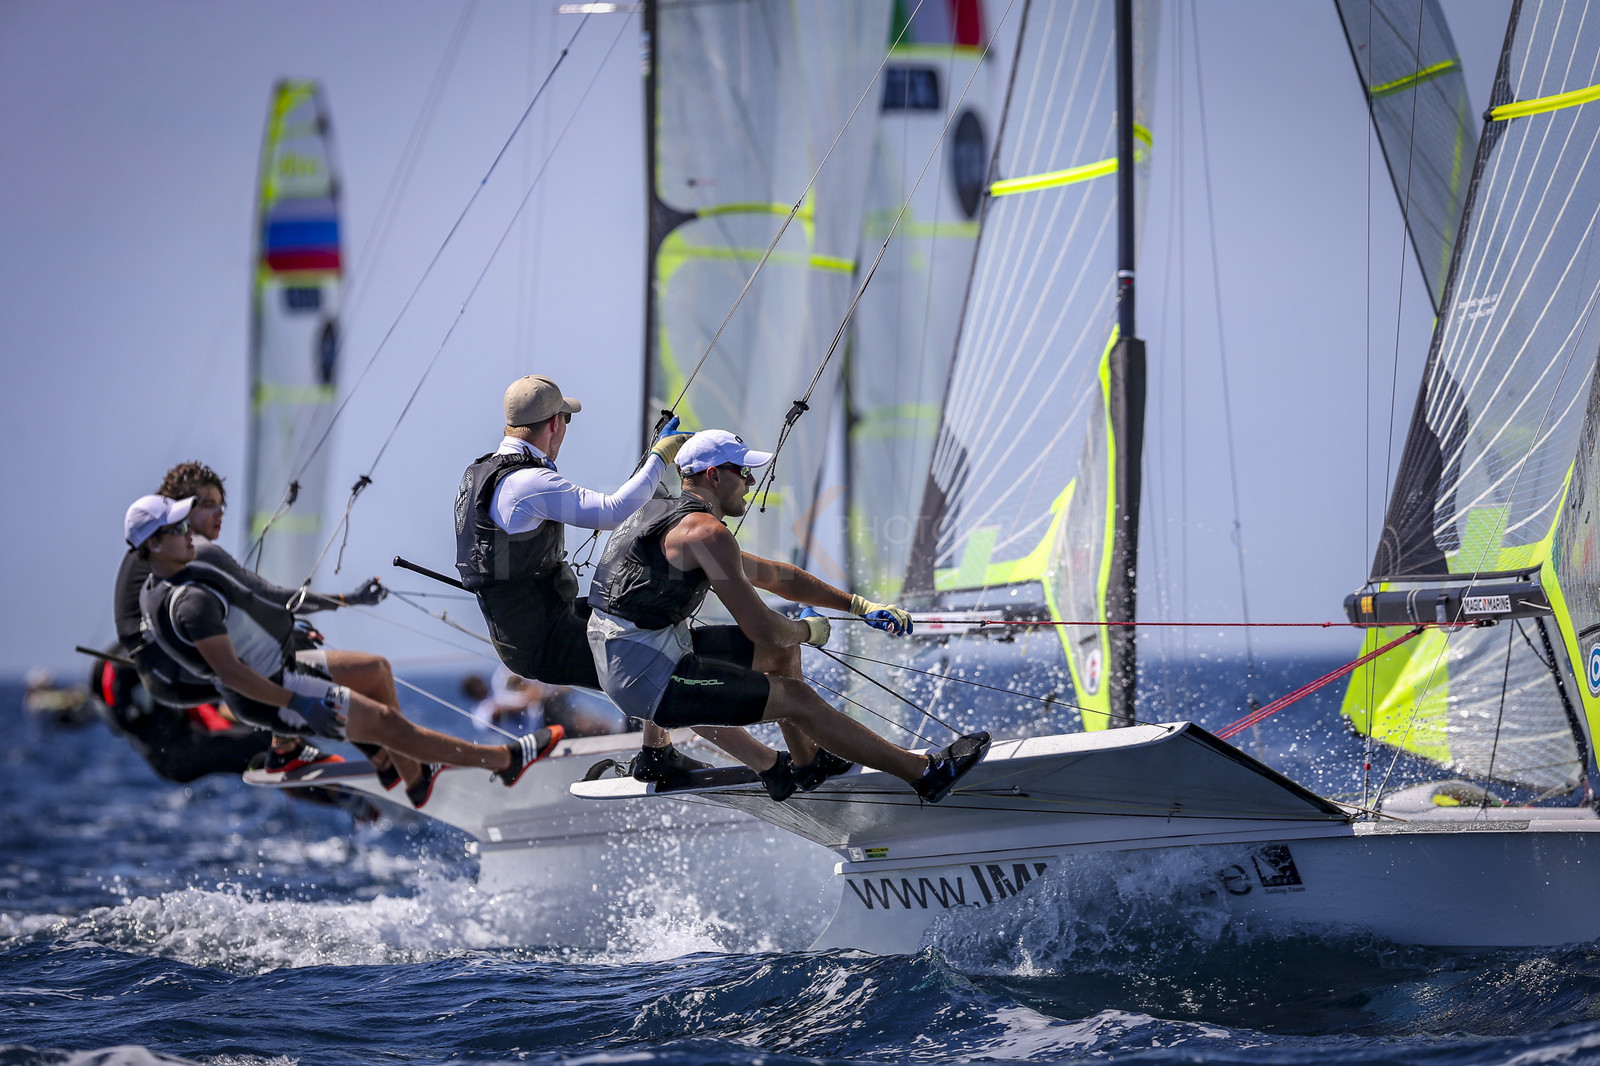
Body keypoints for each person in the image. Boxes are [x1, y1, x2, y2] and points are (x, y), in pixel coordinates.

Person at [587, 429, 990, 803]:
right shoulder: (704, 533)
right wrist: (807, 631)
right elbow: (762, 627)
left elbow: (776, 576)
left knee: (780, 656)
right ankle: (925, 775)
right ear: (713, 475)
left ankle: (807, 761)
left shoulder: (674, 517)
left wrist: (860, 606)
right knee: (795, 696)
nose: (751, 481)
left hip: (637, 654)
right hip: (646, 676)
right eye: (743, 471)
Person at [128, 494, 561, 808]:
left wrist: (346, 601)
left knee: (374, 669)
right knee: (393, 727)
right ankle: (505, 759)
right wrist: (297, 703)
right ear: (152, 544)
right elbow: (232, 675)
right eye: (177, 529)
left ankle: (412, 777)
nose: (190, 534)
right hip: (274, 689)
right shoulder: (190, 603)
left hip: (284, 663)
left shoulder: (164, 580)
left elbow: (265, 599)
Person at [455, 374, 693, 765]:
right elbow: (613, 511)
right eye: (566, 421)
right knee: (657, 666)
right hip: (542, 638)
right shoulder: (527, 482)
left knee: (646, 618)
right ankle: (665, 754)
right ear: (554, 423)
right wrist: (660, 458)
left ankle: (656, 746)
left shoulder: (481, 473)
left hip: (538, 626)